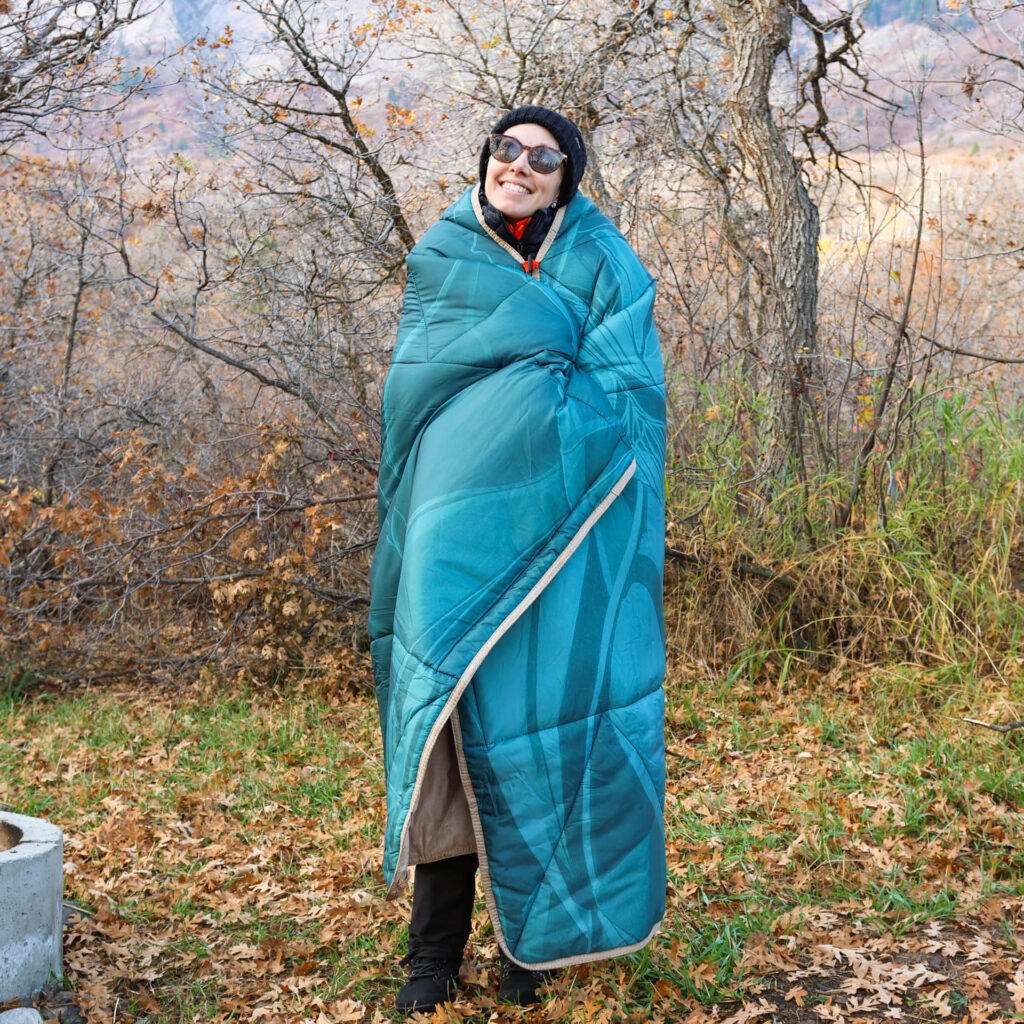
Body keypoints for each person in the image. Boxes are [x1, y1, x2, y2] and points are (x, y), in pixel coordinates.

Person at [369, 106, 667, 1015]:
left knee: (547, 737)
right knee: (450, 737)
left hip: (565, 549)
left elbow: (631, 397)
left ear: (566, 179)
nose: (520, 167)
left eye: (544, 158)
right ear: (487, 158)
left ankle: (530, 951)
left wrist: (535, 398)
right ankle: (432, 955)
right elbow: (418, 399)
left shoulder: (605, 263)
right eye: (507, 150)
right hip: (453, 544)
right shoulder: (445, 255)